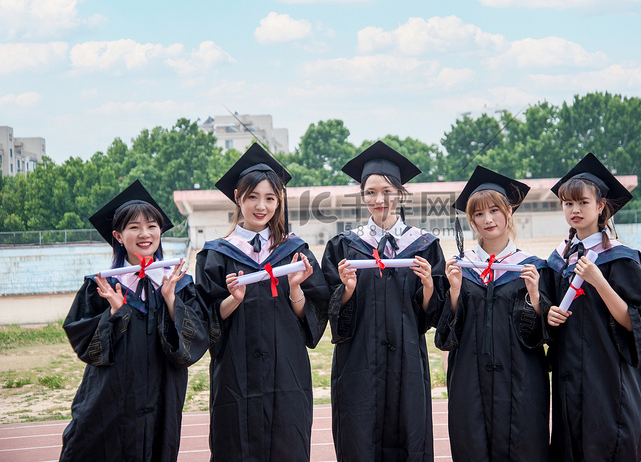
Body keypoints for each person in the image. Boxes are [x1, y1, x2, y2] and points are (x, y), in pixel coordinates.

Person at [195, 143, 330, 462]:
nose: (261, 205)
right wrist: (233, 299)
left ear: (279, 201)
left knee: (287, 444)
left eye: (270, 198)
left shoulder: (295, 251)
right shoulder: (217, 255)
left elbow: (311, 316)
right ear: (238, 198)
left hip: (287, 373)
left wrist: (296, 289)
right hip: (235, 375)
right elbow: (204, 319)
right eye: (252, 197)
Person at [60, 180, 209, 462]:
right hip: (110, 398)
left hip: (162, 397)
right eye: (134, 227)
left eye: (152, 226)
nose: (145, 234)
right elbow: (87, 348)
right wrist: (115, 313)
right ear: (118, 235)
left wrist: (170, 300)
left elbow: (194, 344)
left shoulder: (178, 284)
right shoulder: (102, 285)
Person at [321, 141, 446, 462]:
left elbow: (431, 315)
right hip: (358, 363)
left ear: (400, 194)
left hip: (406, 361)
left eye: (388, 191)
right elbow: (331, 312)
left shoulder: (424, 246)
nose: (380, 199)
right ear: (363, 197)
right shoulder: (344, 247)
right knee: (359, 439)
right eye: (372, 192)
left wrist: (429, 283)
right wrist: (347, 287)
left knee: (409, 436)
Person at [545, 153, 641, 461]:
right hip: (568, 377)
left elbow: (639, 322)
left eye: (583, 202)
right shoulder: (557, 261)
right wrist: (548, 313)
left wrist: (599, 282)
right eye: (568, 203)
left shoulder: (620, 259)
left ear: (600, 207)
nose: (575, 210)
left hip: (610, 378)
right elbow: (544, 315)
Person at [435, 166, 550, 462]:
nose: (487, 219)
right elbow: (446, 336)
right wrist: (456, 292)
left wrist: (536, 297)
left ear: (509, 212)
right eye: (478, 214)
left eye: (494, 210)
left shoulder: (533, 268)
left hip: (522, 379)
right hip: (469, 380)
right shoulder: (462, 268)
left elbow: (544, 336)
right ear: (471, 220)